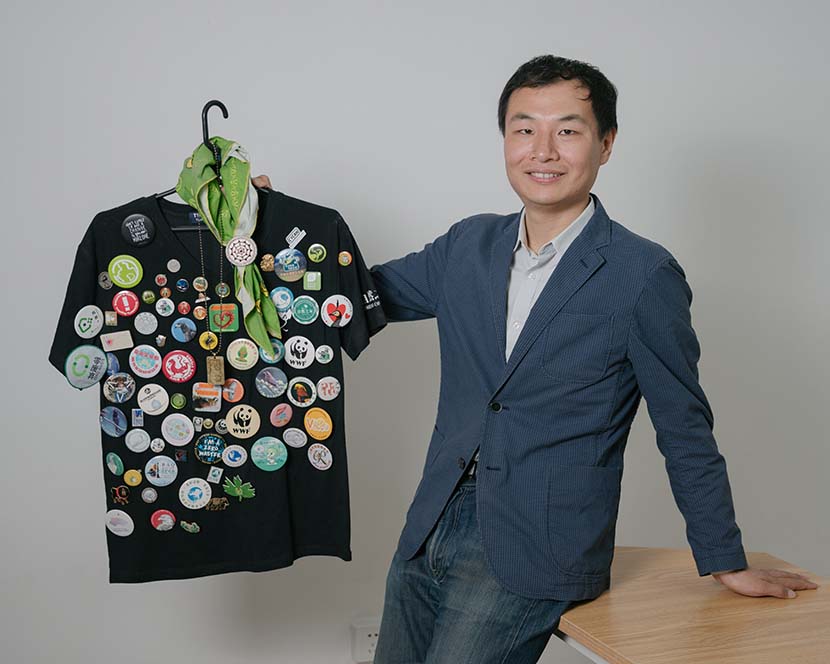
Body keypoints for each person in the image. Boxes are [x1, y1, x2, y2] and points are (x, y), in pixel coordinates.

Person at [253, 54, 818, 664]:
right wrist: (267, 230)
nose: (543, 150)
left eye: (568, 130)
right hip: (428, 528)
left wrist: (723, 557)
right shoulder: (468, 245)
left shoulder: (643, 275)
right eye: (525, 129)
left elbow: (684, 427)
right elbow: (350, 302)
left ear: (606, 144)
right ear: (505, 142)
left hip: (536, 546)